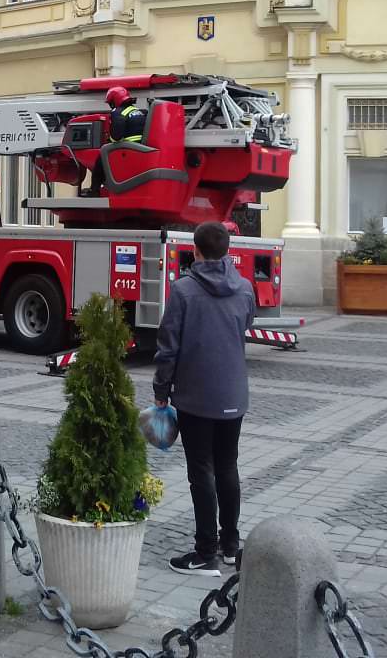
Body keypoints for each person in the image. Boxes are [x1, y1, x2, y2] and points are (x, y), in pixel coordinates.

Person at [153, 221, 255, 577]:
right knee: (228, 466)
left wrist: (161, 393)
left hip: (196, 398)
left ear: (194, 251)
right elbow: (245, 326)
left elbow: (168, 348)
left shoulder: (182, 291)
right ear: (228, 251)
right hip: (233, 395)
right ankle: (230, 547)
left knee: (202, 472)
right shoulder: (244, 288)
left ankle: (204, 552)